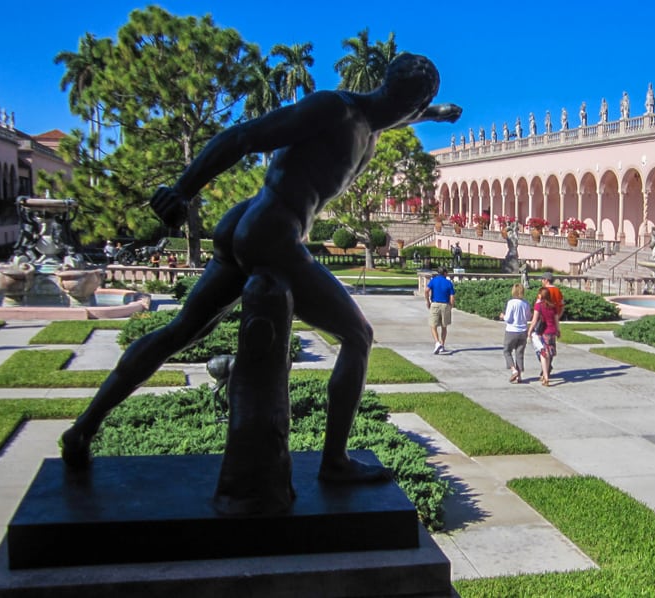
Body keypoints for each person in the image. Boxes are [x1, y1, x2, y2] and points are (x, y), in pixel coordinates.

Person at [60, 52, 462, 485]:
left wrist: (433, 115)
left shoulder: (373, 121)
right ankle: (334, 463)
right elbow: (244, 136)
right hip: (272, 232)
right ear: (399, 93)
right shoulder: (334, 108)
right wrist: (182, 189)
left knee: (181, 331)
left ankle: (83, 428)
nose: (413, 113)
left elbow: (393, 115)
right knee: (357, 336)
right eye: (417, 104)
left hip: (247, 222)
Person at [528, 287, 560, 386]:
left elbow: (534, 320)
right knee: (549, 353)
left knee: (543, 354)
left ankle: (545, 376)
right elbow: (556, 320)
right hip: (552, 332)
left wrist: (529, 331)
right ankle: (546, 374)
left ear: (540, 295)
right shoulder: (553, 306)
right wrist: (558, 330)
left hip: (543, 332)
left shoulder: (539, 306)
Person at [500, 283, 531, 383]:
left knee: (507, 351)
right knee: (519, 353)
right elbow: (528, 317)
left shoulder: (511, 303)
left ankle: (514, 370)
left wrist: (503, 316)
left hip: (512, 330)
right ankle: (519, 376)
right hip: (523, 331)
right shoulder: (525, 303)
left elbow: (508, 318)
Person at [425, 266, 455, 354]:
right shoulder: (448, 282)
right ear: (445, 273)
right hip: (445, 304)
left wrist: (428, 301)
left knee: (433, 325)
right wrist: (451, 306)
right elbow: (452, 297)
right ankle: (442, 344)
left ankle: (437, 342)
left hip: (435, 304)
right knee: (444, 326)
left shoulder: (433, 281)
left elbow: (426, 290)